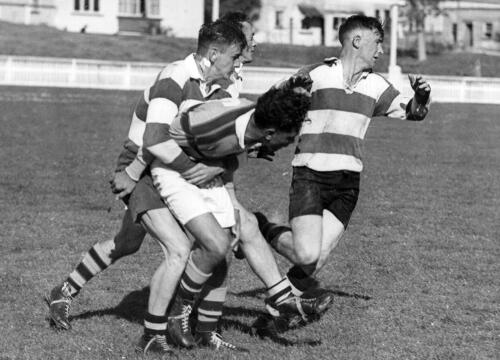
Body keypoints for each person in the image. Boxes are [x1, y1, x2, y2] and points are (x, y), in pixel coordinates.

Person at [47, 20, 247, 355]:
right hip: (141, 167)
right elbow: (154, 142)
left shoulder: (222, 87)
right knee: (178, 249)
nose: (239, 63)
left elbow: (225, 152)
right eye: (235, 56)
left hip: (172, 169)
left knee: (127, 242)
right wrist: (149, 171)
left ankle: (63, 290)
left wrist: (227, 194)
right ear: (213, 54)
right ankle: (153, 335)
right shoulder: (174, 77)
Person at [257, 15, 431, 298]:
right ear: (357, 41)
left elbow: (413, 112)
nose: (381, 50)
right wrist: (264, 138)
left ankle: (276, 312)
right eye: (378, 43)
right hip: (310, 175)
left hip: (348, 182)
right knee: (307, 255)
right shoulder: (314, 74)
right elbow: (271, 102)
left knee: (317, 259)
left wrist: (421, 97)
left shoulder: (377, 85)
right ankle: (259, 227)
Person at [146, 85, 311, 352]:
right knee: (215, 243)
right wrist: (194, 166)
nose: (291, 143)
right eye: (289, 137)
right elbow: (158, 140)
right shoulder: (212, 125)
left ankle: (278, 300)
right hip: (174, 169)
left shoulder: (255, 123)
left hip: (205, 169)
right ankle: (176, 314)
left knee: (242, 229)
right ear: (270, 133)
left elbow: (232, 153)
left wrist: (219, 170)